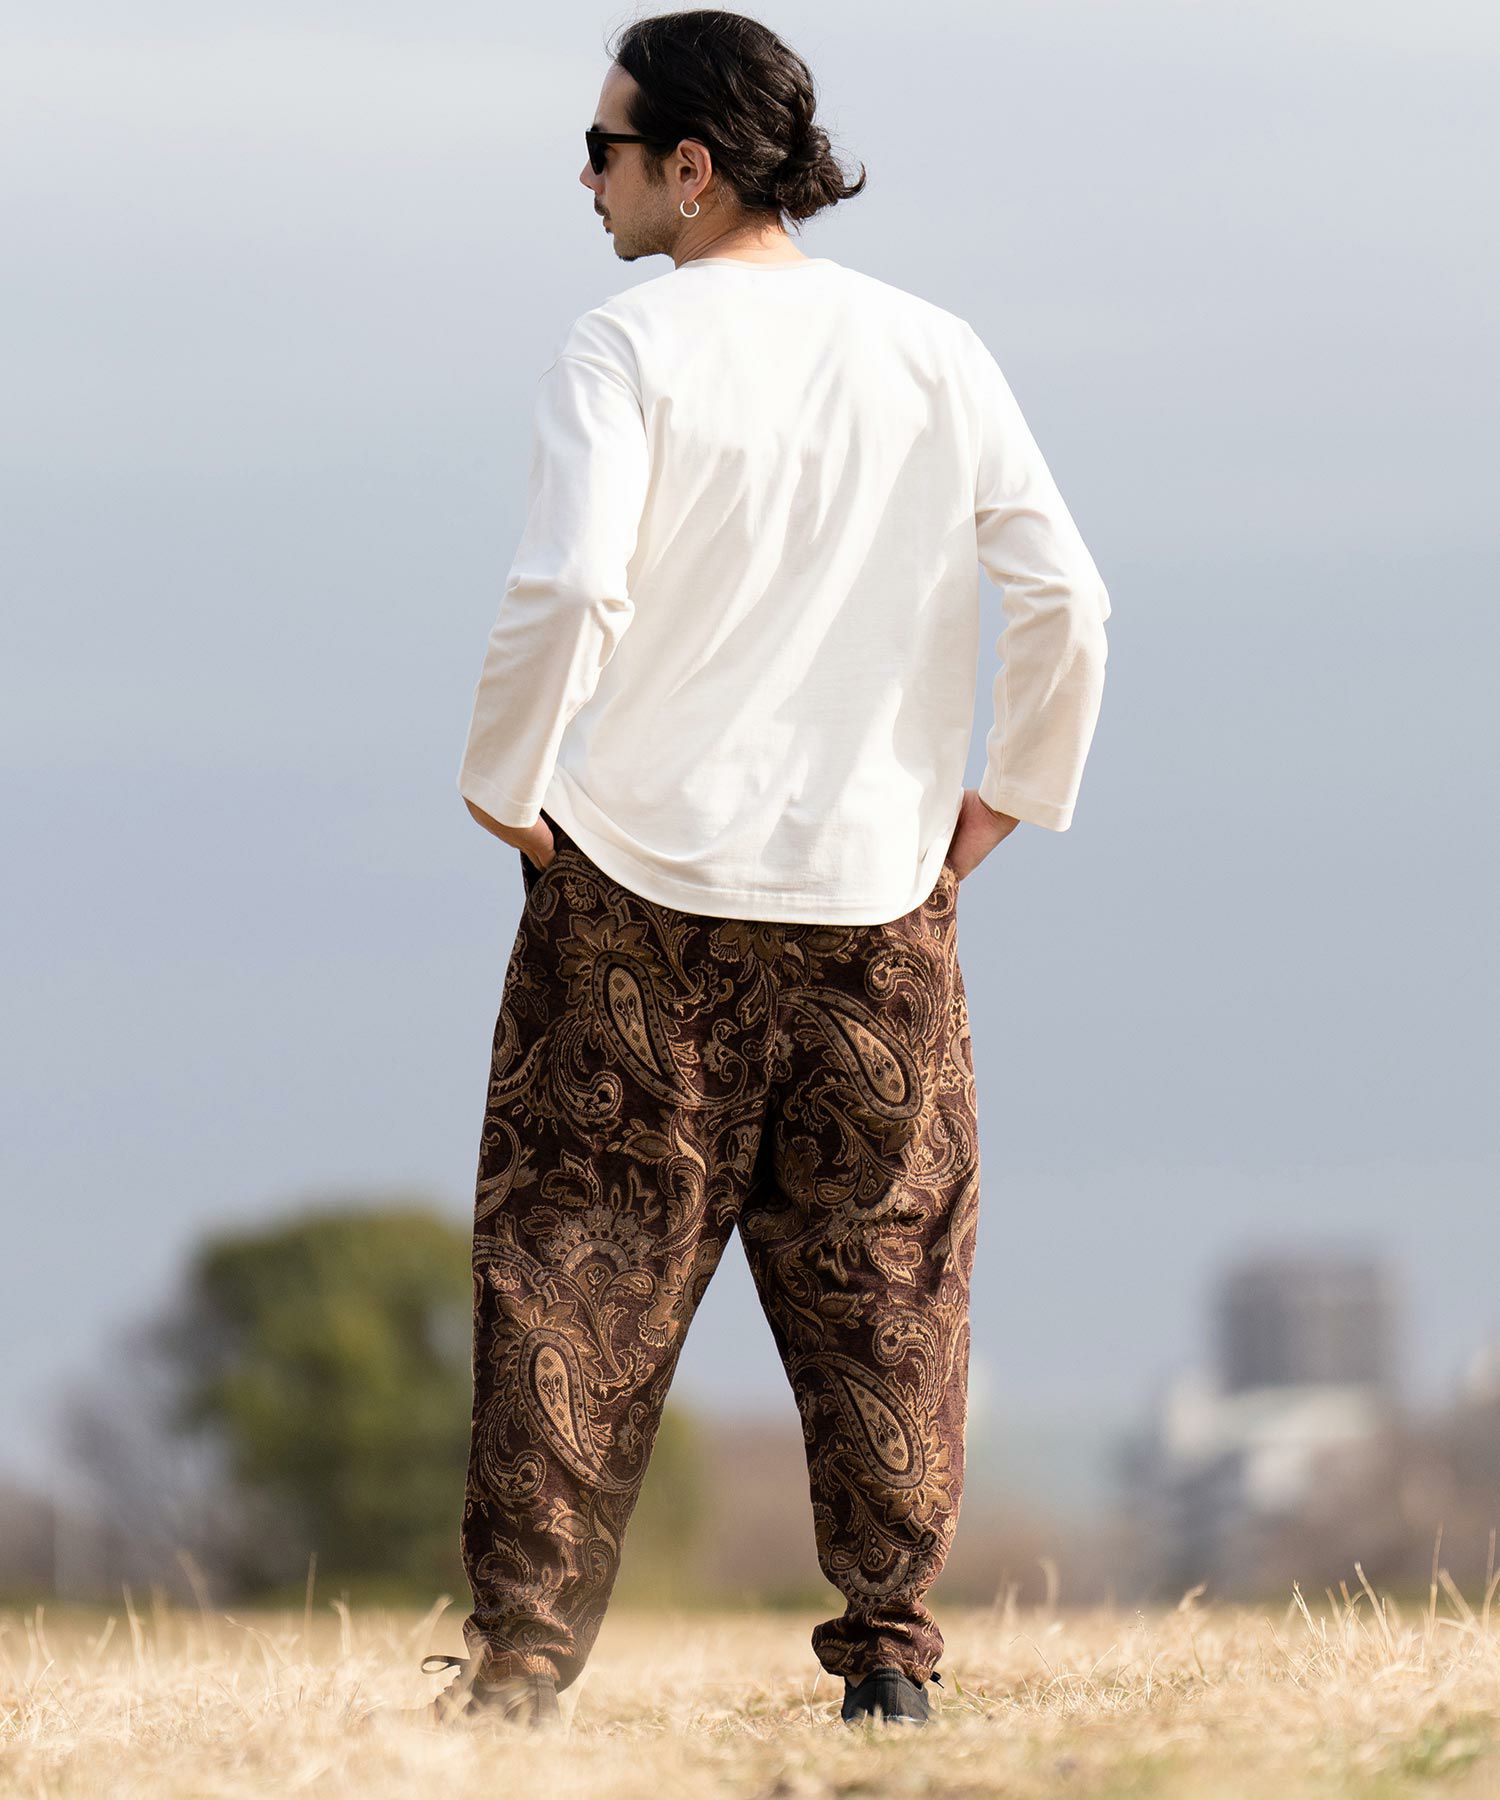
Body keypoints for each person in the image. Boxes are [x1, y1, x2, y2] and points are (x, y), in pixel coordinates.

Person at [430, 7, 1110, 1732]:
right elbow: (1068, 600)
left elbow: (570, 588)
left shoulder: (623, 346)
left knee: (572, 1270)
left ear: (689, 166)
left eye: (601, 148)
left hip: (635, 889)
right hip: (875, 894)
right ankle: (889, 1658)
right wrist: (1007, 797)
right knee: (889, 1281)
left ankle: (519, 1676)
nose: (583, 178)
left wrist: (506, 784)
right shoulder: (934, 350)